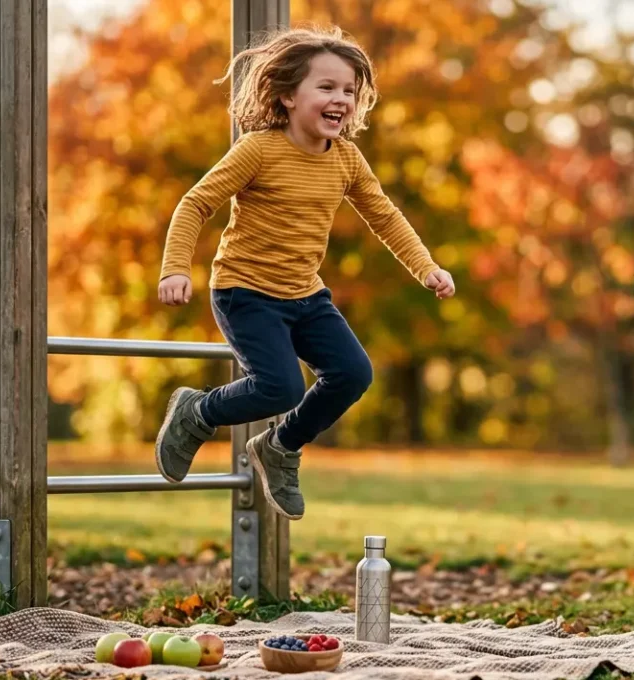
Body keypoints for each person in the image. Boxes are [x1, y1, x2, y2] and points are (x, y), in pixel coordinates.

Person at [152, 24, 455, 521]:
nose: (341, 99)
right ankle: (196, 412)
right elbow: (195, 203)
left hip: (305, 296)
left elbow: (384, 216)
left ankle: (281, 446)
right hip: (244, 291)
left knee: (354, 373)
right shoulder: (258, 149)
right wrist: (175, 268)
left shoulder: (347, 160)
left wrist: (426, 267)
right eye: (327, 87)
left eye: (350, 92)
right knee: (281, 387)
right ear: (289, 96)